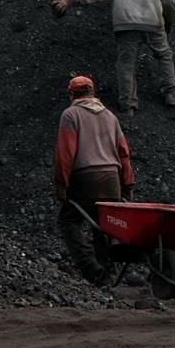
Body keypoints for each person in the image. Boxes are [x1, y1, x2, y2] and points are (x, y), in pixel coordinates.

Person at [52, 0, 175, 116]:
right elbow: (169, 1)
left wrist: (70, 0)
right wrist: (169, 24)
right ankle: (171, 94)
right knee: (164, 55)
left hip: (125, 26)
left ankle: (128, 105)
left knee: (126, 65)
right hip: (153, 24)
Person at [54, 75, 136, 286]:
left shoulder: (70, 115)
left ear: (72, 94)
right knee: (105, 226)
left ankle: (92, 270)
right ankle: (108, 275)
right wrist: (127, 184)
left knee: (68, 221)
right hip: (112, 179)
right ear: (92, 92)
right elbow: (124, 152)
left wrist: (62, 184)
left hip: (85, 178)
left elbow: (66, 153)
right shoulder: (110, 116)